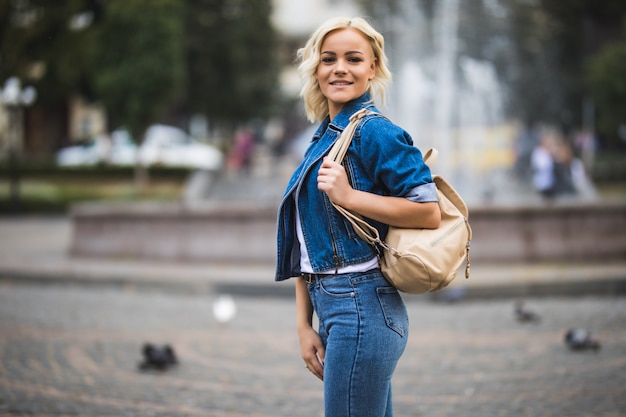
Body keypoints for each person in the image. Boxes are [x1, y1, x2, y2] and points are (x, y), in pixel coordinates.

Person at [275, 17, 441, 417]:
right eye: (328, 59)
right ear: (316, 68)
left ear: (372, 68)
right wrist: (304, 325)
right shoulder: (325, 136)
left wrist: (351, 197)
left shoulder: (376, 132)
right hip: (335, 310)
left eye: (353, 58)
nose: (340, 68)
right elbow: (306, 242)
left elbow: (429, 211)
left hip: (362, 309)